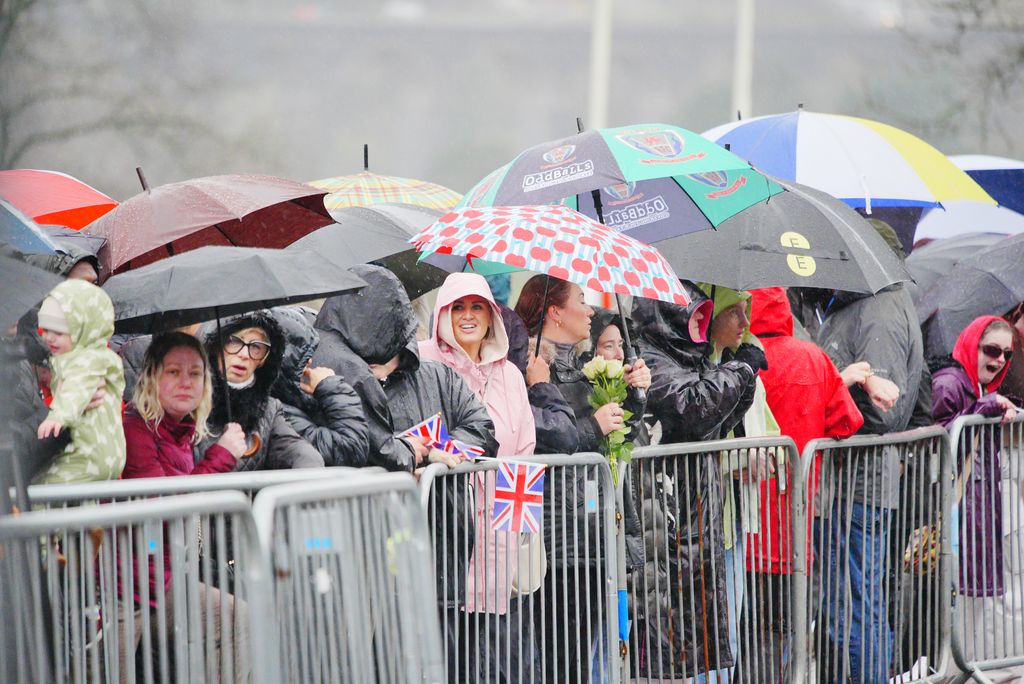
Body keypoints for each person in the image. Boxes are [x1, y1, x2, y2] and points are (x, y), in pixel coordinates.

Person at [313, 264, 497, 680]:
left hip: (441, 544)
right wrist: (399, 455)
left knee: (441, 659)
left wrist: (435, 453)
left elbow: (482, 429)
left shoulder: (436, 376)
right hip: (372, 554)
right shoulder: (348, 376)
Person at [810, 222, 931, 684]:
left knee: (852, 610)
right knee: (858, 606)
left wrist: (837, 386)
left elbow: (887, 411)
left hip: (854, 485)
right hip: (856, 484)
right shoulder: (872, 305)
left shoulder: (879, 309)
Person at [515, 275, 650, 683]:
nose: (591, 309)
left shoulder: (578, 365)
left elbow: (610, 434)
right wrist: (593, 426)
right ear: (555, 311)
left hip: (588, 532)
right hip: (556, 538)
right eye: (581, 299)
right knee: (560, 660)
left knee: (578, 657)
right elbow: (553, 437)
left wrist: (633, 395)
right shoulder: (529, 365)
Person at [630, 280, 764, 680]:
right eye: (695, 317)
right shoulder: (650, 360)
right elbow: (695, 407)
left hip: (697, 515)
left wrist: (738, 376)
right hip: (667, 514)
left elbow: (721, 419)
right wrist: (742, 368)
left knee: (697, 636)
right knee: (668, 639)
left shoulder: (693, 360)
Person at [418, 272, 539, 682]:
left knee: (493, 656)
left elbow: (524, 449)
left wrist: (519, 532)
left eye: (477, 307)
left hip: (498, 538)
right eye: (458, 307)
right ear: (442, 314)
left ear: (492, 317)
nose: (467, 316)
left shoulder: (510, 376)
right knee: (449, 652)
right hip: (443, 531)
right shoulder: (422, 363)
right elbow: (418, 433)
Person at [746, 287, 864, 680]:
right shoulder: (813, 357)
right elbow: (847, 422)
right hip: (792, 527)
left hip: (744, 529)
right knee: (785, 633)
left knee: (744, 638)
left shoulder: (737, 360)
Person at [120, 331, 249, 681]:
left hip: (159, 578)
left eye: (195, 373)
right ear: (151, 377)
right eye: (173, 372)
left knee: (239, 620)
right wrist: (221, 457)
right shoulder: (135, 429)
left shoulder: (181, 431)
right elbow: (161, 507)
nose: (185, 382)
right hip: (124, 587)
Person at [696, 283, 781, 684]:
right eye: (735, 313)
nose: (745, 323)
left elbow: (777, 442)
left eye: (748, 312)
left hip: (736, 523)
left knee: (729, 628)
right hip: (705, 521)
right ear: (712, 317)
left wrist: (762, 461)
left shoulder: (751, 372)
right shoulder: (698, 372)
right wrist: (736, 462)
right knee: (708, 633)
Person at [930, 316, 1019, 662]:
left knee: (969, 607)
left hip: (971, 520)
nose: (998, 361)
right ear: (972, 346)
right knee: (948, 610)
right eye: (991, 350)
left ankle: (962, 666)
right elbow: (938, 442)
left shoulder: (977, 386)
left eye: (1006, 355)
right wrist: (984, 407)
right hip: (951, 519)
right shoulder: (950, 383)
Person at [197, 311, 323, 471]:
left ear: (264, 359)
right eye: (234, 341)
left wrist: (309, 462)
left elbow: (295, 449)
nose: (244, 354)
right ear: (216, 347)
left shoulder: (268, 408)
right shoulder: (188, 401)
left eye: (256, 346)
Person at [34, 279, 126, 484]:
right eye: (45, 330)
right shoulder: (95, 356)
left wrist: (58, 415)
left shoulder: (85, 359)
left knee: (42, 486)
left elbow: (77, 387)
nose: (49, 338)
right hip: (100, 452)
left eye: (58, 332)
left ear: (84, 329)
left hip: (87, 453)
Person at [269, 306, 369, 467]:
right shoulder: (278, 411)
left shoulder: (289, 402)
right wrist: (332, 387)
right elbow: (349, 451)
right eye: (302, 355)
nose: (309, 362)